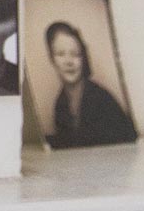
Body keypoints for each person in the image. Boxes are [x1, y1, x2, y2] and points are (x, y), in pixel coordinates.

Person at [42, 19, 135, 147]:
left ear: (83, 58)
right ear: (51, 59)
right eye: (60, 54)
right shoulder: (60, 104)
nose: (69, 61)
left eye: (75, 54)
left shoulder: (102, 99)